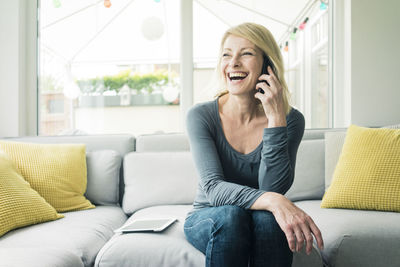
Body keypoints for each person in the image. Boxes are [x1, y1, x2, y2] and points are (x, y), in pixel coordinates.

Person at [183, 22, 324, 267]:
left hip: (260, 216)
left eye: (245, 53)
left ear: (267, 65)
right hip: (209, 216)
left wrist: (276, 118)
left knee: (268, 221)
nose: (233, 62)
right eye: (227, 54)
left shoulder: (292, 120)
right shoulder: (201, 116)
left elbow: (272, 186)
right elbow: (214, 189)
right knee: (231, 215)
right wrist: (273, 201)